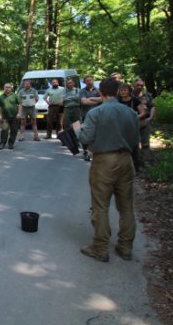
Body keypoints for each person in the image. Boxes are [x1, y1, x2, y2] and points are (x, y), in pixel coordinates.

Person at [73, 78, 139, 262]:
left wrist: (78, 129)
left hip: (104, 161)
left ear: (100, 92)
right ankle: (125, 247)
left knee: (100, 205)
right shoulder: (131, 113)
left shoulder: (97, 112)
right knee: (126, 207)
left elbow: (85, 138)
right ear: (118, 91)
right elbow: (135, 140)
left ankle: (100, 248)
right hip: (126, 159)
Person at [132, 78, 155, 165]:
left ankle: (146, 161)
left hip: (145, 120)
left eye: (141, 85)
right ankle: (136, 162)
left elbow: (152, 106)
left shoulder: (147, 95)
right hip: (133, 122)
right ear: (133, 85)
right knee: (134, 143)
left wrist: (151, 117)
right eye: (137, 85)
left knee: (145, 143)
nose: (140, 87)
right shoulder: (130, 95)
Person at [79, 75, 102, 161]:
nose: (89, 82)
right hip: (86, 116)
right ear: (84, 82)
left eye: (90, 80)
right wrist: (97, 100)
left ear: (93, 80)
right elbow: (84, 102)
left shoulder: (99, 90)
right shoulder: (82, 91)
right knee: (85, 133)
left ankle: (95, 151)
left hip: (98, 115)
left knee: (97, 133)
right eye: (87, 81)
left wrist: (91, 99)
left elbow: (103, 99)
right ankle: (85, 151)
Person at [0, 83, 22, 150]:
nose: (7, 88)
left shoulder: (15, 96)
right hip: (4, 117)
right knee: (4, 131)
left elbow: (20, 105)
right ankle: (2, 143)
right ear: (4, 88)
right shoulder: (1, 97)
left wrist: (19, 113)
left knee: (14, 131)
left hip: (14, 117)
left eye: (9, 87)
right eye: (6, 87)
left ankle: (11, 144)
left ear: (11, 88)